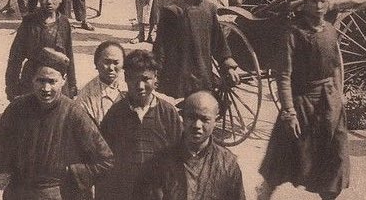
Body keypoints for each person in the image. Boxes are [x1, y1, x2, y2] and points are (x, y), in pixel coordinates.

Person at [257, 0, 350, 200]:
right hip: (301, 104)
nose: (318, 6)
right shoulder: (293, 34)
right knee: (280, 162)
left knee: (334, 159)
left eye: (322, 1)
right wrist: (289, 112)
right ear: (305, 4)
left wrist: (339, 96)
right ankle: (262, 195)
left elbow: (335, 67)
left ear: (328, 4)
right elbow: (284, 76)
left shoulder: (330, 31)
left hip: (329, 104)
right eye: (314, 1)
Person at [0, 47, 113, 200]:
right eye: (41, 80)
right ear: (32, 79)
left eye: (52, 81)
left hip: (57, 194)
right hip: (18, 193)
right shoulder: (17, 108)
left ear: (63, 80)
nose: (46, 88)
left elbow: (106, 161)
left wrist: (71, 172)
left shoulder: (74, 114)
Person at [98, 50, 182, 200]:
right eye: (134, 79)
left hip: (159, 192)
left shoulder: (168, 113)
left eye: (146, 79)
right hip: (125, 192)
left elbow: (180, 155)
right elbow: (104, 158)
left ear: (155, 78)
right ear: (125, 78)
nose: (140, 86)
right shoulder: (115, 114)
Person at [135, 90, 246, 200]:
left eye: (205, 119)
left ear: (215, 120)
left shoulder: (227, 163)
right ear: (183, 117)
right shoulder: (161, 161)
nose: (197, 125)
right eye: (191, 117)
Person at [154, 0, 240, 99]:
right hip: (179, 76)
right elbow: (160, 46)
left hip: (202, 74)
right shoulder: (173, 11)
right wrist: (155, 71)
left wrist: (227, 64)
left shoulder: (209, 9)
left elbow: (218, 42)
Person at [5, 0, 77, 101]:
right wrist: (12, 87)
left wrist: (72, 84)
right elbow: (15, 57)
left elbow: (68, 54)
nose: (48, 1)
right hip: (32, 81)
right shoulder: (29, 22)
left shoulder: (64, 23)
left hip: (56, 81)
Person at [77, 40, 126, 127]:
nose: (111, 68)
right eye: (106, 62)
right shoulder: (86, 95)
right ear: (96, 63)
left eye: (116, 63)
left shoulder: (130, 86)